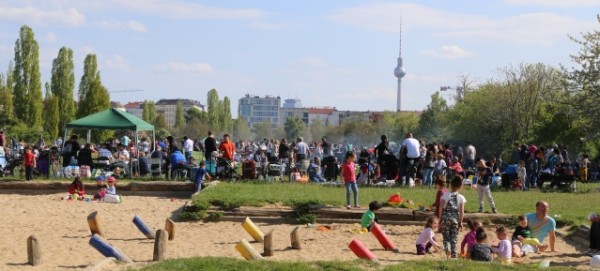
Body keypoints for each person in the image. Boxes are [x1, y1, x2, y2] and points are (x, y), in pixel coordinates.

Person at [438, 174, 466, 258]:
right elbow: (461, 211)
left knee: (446, 237)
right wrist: (460, 221)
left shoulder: (446, 195)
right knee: (454, 239)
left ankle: (447, 249)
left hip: (446, 217)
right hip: (455, 219)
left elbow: (440, 207)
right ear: (460, 186)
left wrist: (440, 218)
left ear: (450, 185)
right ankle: (454, 255)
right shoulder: (461, 197)